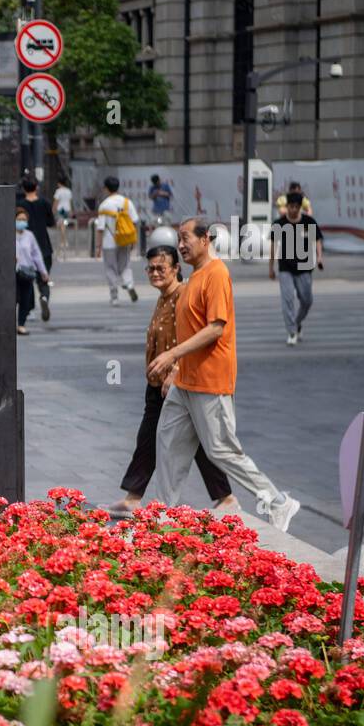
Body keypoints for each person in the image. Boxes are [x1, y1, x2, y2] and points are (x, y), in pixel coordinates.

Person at [147, 217, 301, 533]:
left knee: (220, 449)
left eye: (186, 237)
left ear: (206, 239)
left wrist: (172, 354)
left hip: (210, 380)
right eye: (179, 238)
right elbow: (189, 328)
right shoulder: (194, 278)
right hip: (185, 380)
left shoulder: (217, 274)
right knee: (168, 442)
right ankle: (161, 514)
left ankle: (277, 501)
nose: (181, 244)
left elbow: (216, 328)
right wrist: (176, 368)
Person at [108, 228, 234, 515]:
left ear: (176, 268)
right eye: (150, 269)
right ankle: (133, 496)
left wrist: (176, 369)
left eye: (161, 268)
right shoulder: (164, 297)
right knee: (150, 437)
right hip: (157, 382)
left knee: (199, 439)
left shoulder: (183, 296)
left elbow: (194, 336)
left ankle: (224, 497)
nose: (155, 273)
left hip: (176, 381)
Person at [269, 191, 324, 346]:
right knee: (287, 300)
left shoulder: (308, 222)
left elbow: (318, 240)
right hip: (285, 267)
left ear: (300, 207)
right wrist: (271, 267)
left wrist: (319, 257)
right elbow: (273, 246)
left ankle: (297, 322)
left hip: (305, 267)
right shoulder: (279, 224)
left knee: (307, 301)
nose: (293, 210)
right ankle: (292, 332)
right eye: (290, 207)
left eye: (296, 207)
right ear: (286, 207)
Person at [95, 176, 140, 306]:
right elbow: (134, 222)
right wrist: (133, 241)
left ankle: (114, 297)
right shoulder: (127, 202)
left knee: (110, 268)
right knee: (125, 265)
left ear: (106, 188)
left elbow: (100, 228)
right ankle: (129, 284)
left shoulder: (104, 205)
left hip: (109, 242)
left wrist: (98, 247)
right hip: (125, 240)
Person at [15, 207, 50, 334]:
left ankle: (21, 325)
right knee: (13, 298)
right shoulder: (8, 234)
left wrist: (43, 272)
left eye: (24, 219)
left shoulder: (29, 235)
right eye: (19, 219)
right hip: (13, 273)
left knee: (25, 300)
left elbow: (37, 255)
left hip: (27, 272)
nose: (22, 222)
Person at [16, 177, 56, 277]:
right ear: (36, 188)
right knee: (44, 278)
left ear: (24, 189)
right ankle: (44, 292)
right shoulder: (45, 203)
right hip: (44, 244)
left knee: (26, 279)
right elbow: (51, 222)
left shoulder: (20, 205)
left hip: (25, 247)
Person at [53, 180, 73, 250]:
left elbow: (56, 201)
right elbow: (70, 202)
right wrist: (71, 210)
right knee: (64, 225)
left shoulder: (58, 191)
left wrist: (53, 209)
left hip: (60, 210)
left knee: (62, 226)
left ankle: (64, 241)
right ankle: (63, 241)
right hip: (67, 209)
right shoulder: (68, 191)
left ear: (59, 183)